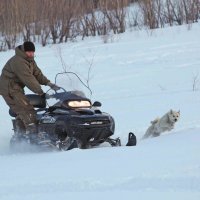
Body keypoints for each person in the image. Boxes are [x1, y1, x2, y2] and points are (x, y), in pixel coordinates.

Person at [0, 41, 60, 142]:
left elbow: (37, 74)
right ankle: (34, 136)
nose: (31, 54)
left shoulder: (30, 61)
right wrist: (40, 92)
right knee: (26, 109)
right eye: (29, 52)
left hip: (17, 88)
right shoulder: (18, 61)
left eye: (32, 52)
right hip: (8, 88)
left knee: (22, 110)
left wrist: (50, 84)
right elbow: (28, 79)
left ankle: (20, 135)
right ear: (24, 51)